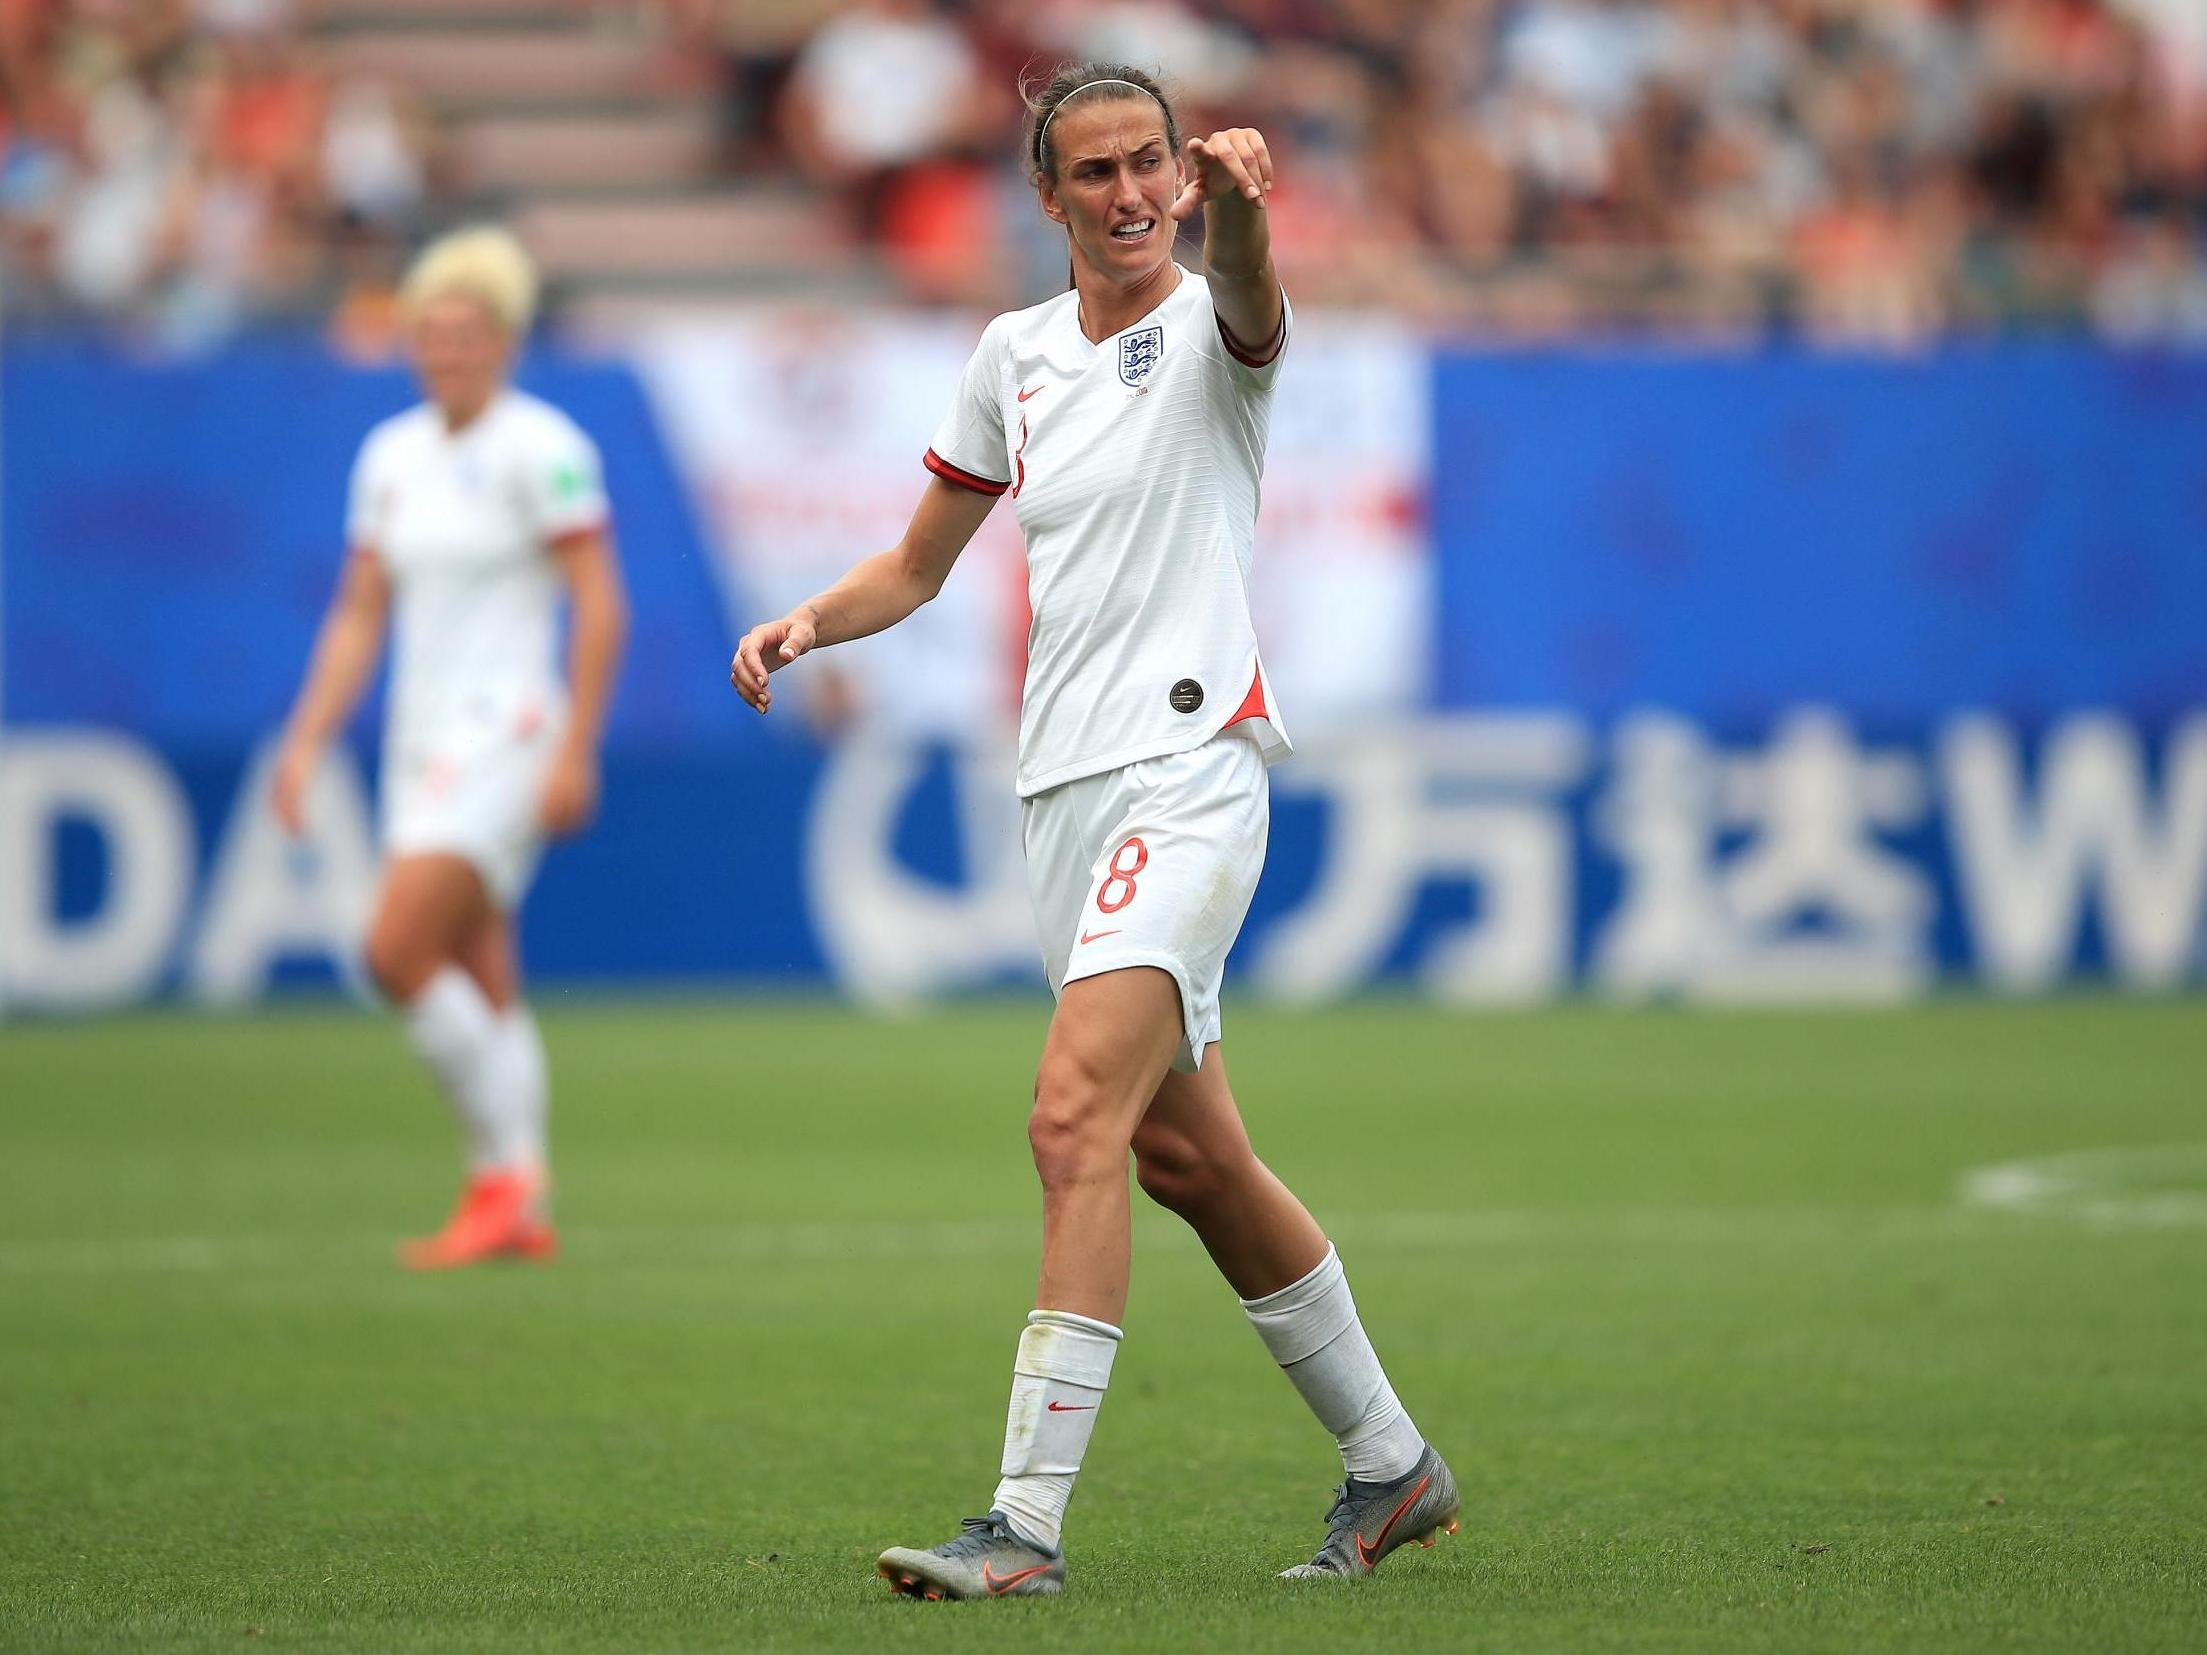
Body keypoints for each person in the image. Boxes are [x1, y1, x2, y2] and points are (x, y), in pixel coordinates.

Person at [731, 63, 1456, 1598]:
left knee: (1072, 1122)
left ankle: (1023, 1526)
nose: (1131, 196)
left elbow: (1251, 287)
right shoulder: (1011, 355)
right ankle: (1393, 1464)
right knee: (1192, 1160)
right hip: (1061, 791)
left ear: (1182, 179)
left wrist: (1249, 210)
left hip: (1190, 767)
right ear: (1046, 196)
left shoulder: (1216, 323)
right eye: (1098, 174)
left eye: (1153, 167)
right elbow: (919, 566)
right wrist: (808, 621)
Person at [273, 225, 627, 1271]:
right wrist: (304, 740)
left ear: (506, 340)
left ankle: (508, 1179)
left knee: (391, 950)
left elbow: (597, 602)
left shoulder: (543, 448)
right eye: (430, 333)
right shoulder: (391, 456)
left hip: (508, 731)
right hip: (421, 738)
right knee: (480, 964)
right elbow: (357, 612)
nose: (446, 351)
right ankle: (512, 1193)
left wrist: (577, 746)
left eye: (466, 333)